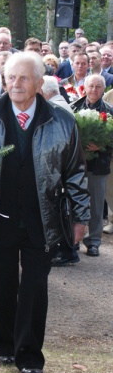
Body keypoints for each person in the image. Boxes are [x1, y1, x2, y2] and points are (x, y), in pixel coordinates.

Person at [0, 52, 90, 373]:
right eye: (10, 77)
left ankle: (30, 354)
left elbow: (75, 173)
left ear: (38, 82)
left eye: (23, 78)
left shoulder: (61, 121)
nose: (15, 84)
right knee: (2, 285)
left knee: (35, 287)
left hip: (42, 219)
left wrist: (81, 219)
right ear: (2, 79)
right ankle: (5, 346)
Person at [71, 74, 113, 257]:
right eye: (91, 86)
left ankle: (94, 241)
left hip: (99, 166)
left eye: (98, 87)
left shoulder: (109, 111)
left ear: (103, 89)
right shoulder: (74, 108)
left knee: (96, 205)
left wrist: (102, 145)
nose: (94, 90)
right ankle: (73, 240)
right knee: (75, 202)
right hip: (77, 166)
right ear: (85, 88)